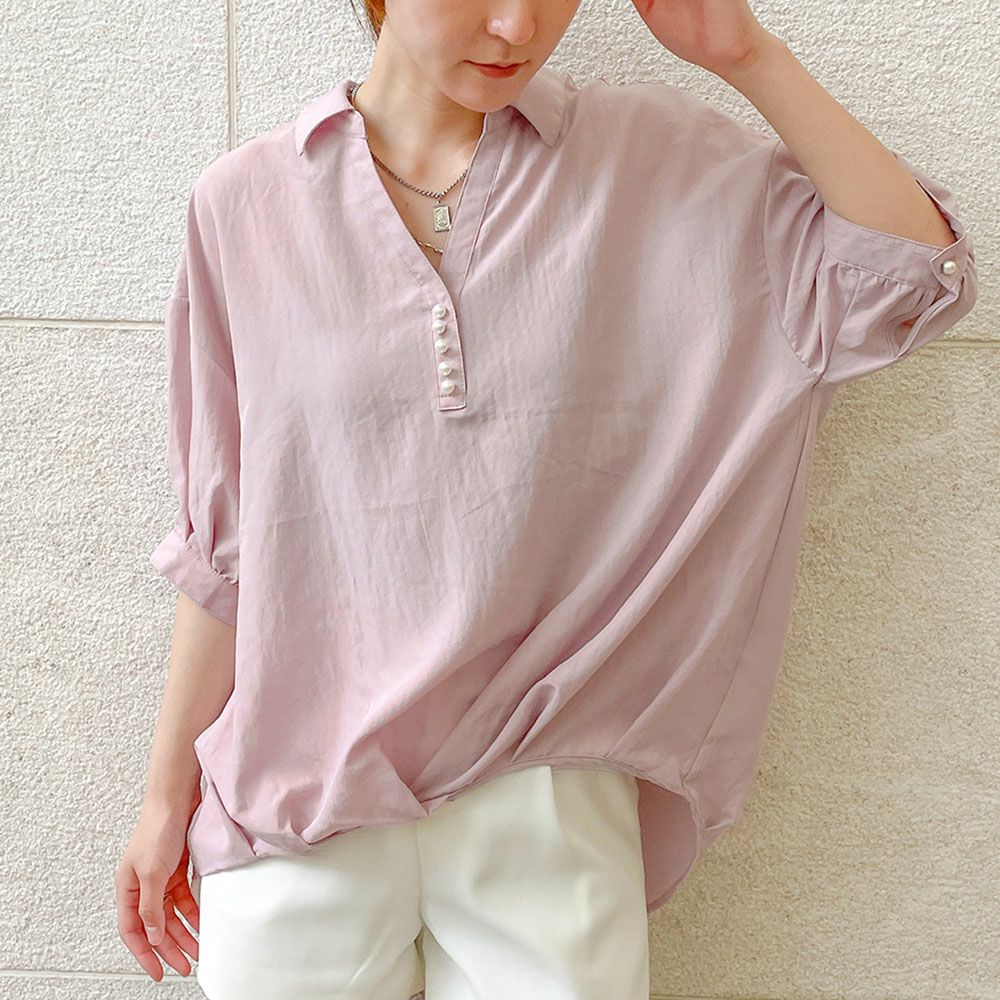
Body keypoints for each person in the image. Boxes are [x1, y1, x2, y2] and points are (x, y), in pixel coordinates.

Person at [115, 0, 978, 997]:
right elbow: (226, 547)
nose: (518, 25)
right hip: (296, 803)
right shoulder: (245, 204)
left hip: (546, 799)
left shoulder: (656, 164)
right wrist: (165, 796)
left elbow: (913, 277)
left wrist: (747, 55)